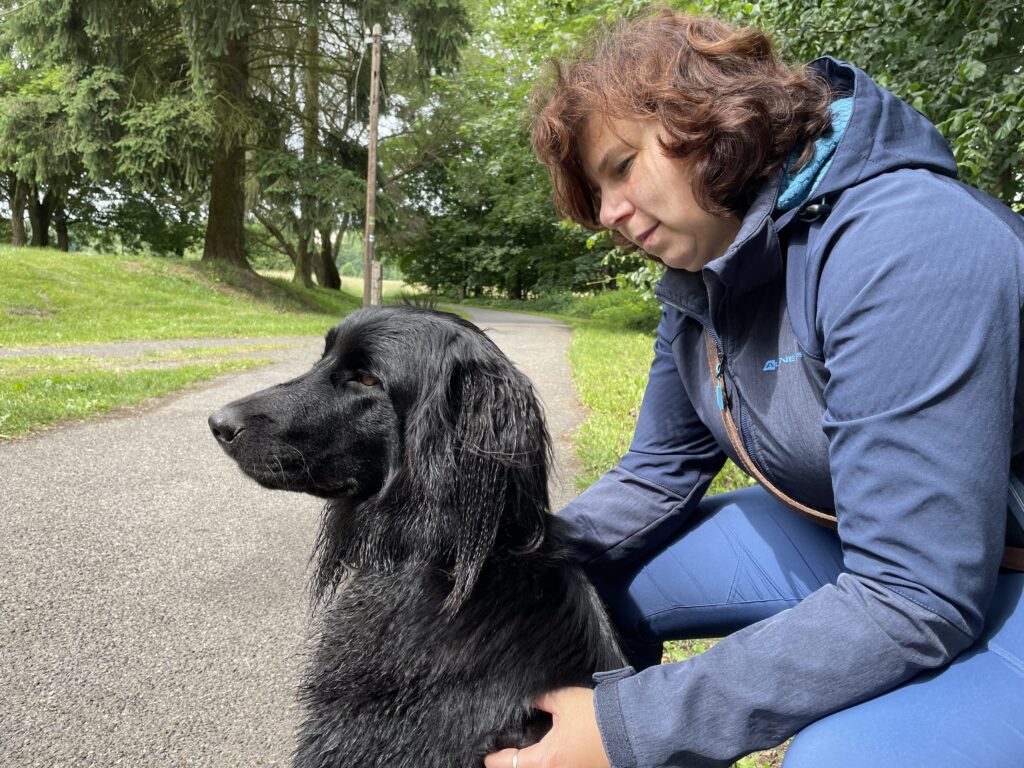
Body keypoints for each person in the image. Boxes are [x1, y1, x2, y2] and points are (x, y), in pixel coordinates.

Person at [484, 7, 1024, 768]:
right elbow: (656, 471)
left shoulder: (906, 244)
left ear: (712, 121)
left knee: (842, 759)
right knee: (581, 589)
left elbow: (915, 592)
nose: (608, 214)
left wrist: (627, 728)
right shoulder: (700, 283)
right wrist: (508, 566)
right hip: (864, 543)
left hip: (955, 574)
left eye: (622, 166)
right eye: (595, 193)